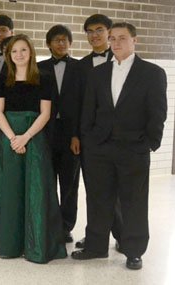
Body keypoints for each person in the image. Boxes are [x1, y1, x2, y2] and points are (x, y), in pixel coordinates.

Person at [73, 22, 167, 271]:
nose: (116, 43)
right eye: (112, 38)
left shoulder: (152, 73)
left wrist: (150, 143)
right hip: (99, 148)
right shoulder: (98, 73)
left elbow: (158, 113)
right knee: (97, 199)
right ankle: (95, 246)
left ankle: (133, 250)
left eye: (122, 38)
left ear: (134, 40)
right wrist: (89, 140)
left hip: (133, 148)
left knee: (133, 202)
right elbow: (88, 110)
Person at [0, 34, 67, 263]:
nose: (19, 55)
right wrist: (13, 138)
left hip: (34, 138)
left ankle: (36, 244)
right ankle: (10, 245)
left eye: (23, 50)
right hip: (8, 138)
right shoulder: (1, 79)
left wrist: (25, 137)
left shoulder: (44, 77)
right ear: (9, 55)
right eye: (14, 51)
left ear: (31, 52)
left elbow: (46, 113)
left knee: (36, 191)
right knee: (10, 191)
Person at [73, 14, 122, 251]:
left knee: (119, 193)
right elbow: (76, 104)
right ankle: (95, 238)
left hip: (120, 139)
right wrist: (76, 135)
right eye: (90, 31)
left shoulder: (124, 60)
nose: (95, 35)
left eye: (99, 30)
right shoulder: (80, 66)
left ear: (109, 32)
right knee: (94, 191)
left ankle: (123, 236)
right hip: (91, 139)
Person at [37, 24, 80, 244]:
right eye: (56, 40)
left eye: (65, 40)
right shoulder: (39, 67)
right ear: (48, 44)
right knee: (46, 179)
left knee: (69, 183)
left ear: (70, 43)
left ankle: (66, 226)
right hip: (45, 131)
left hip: (71, 134)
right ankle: (48, 222)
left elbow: (85, 104)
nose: (61, 43)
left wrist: (77, 135)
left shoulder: (81, 68)